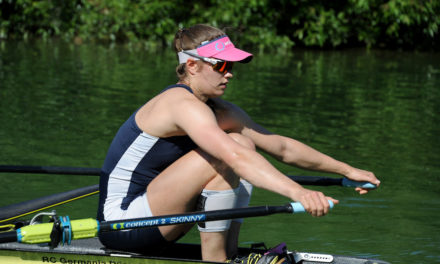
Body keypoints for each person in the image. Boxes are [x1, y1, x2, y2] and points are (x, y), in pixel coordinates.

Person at [97, 24, 380, 262]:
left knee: (243, 144)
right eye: (221, 65)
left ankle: (228, 254)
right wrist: (299, 193)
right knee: (232, 150)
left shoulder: (219, 110)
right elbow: (233, 156)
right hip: (124, 223)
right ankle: (217, 258)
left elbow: (281, 147)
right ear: (192, 66)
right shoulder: (178, 104)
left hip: (163, 216)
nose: (229, 73)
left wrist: (346, 170)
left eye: (231, 65)